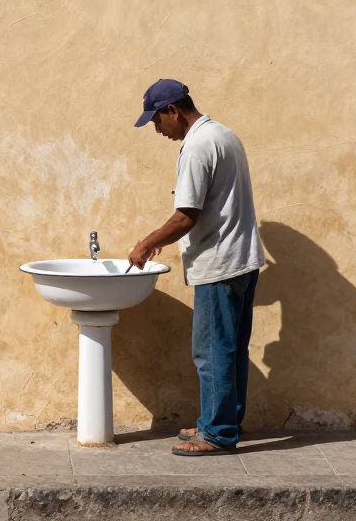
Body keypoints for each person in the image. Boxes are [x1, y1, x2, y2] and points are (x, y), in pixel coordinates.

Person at [127, 79, 264, 456]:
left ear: (173, 110)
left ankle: (217, 433)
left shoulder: (197, 147)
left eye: (157, 121)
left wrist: (147, 242)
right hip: (241, 259)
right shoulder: (223, 134)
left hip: (218, 263)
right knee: (231, 348)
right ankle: (223, 422)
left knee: (212, 351)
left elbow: (186, 216)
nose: (157, 130)